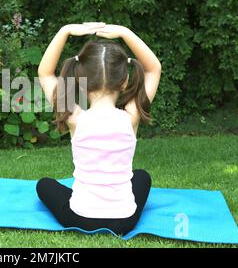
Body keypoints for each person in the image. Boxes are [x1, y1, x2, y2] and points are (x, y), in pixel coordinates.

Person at [36, 22, 162, 235]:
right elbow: (153, 69)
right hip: (124, 220)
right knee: (142, 177)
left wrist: (64, 31)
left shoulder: (74, 117)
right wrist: (125, 32)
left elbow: (45, 73)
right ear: (124, 82)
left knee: (44, 184)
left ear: (81, 82)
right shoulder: (132, 116)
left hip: (80, 218)